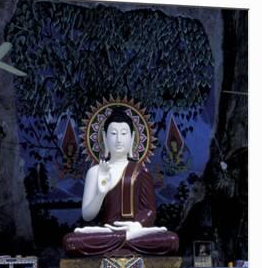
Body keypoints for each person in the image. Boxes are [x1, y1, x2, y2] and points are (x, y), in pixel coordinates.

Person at [63, 107, 179, 256]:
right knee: (71, 242)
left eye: (124, 133)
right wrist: (100, 192)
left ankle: (125, 238)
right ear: (104, 138)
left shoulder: (141, 171)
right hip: (107, 233)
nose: (118, 139)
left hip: (135, 233)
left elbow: (149, 210)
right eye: (113, 133)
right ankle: (124, 239)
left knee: (171, 240)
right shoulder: (95, 171)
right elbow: (87, 215)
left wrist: (137, 226)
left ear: (132, 138)